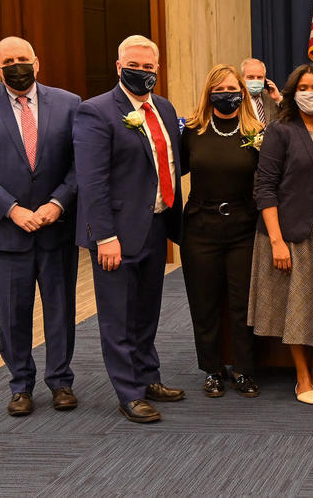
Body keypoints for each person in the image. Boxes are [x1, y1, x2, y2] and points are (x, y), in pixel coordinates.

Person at [0, 36, 81, 417]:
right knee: (12, 313)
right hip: (6, 230)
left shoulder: (70, 104)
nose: (16, 65)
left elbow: (82, 162)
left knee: (60, 309)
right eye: (8, 60)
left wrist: (58, 203)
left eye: (22, 58)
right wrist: (11, 209)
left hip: (56, 226)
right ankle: (20, 385)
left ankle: (60, 382)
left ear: (37, 63)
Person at [74, 34, 185, 423]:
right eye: (135, 66)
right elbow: (91, 181)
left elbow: (170, 162)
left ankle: (148, 376)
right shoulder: (96, 111)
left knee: (146, 310)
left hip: (155, 224)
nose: (143, 72)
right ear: (119, 67)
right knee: (117, 315)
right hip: (115, 235)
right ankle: (128, 392)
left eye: (149, 66)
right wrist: (104, 236)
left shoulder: (166, 109)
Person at [248, 64, 313, 405]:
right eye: (304, 87)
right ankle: (302, 376)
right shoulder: (281, 130)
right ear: (293, 92)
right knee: (299, 302)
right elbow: (264, 187)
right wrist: (276, 241)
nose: (310, 93)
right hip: (293, 228)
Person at [179, 64, 264, 398]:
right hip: (201, 226)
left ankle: (243, 369)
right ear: (209, 92)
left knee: (243, 302)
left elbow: (269, 179)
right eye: (220, 89)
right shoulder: (191, 130)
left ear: (242, 93)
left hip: (243, 226)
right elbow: (175, 171)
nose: (227, 94)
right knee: (205, 302)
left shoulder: (255, 131)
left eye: (233, 89)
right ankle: (212, 369)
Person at [242, 57, 281, 124]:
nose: (255, 80)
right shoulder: (237, 100)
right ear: (242, 78)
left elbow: (292, 119)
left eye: (259, 77)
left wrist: (278, 99)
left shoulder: (271, 98)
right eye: (250, 77)